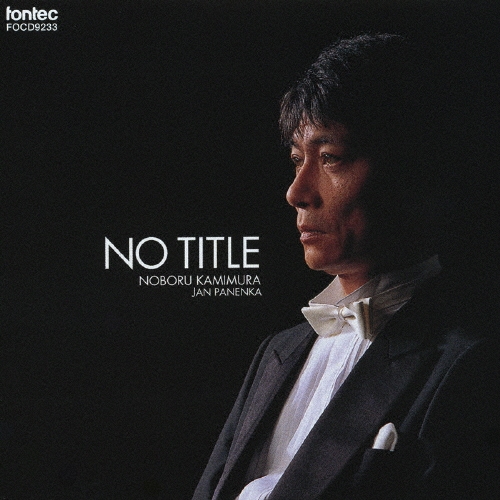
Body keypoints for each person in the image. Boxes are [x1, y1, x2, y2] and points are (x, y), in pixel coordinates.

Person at [193, 34, 499, 500]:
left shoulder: (472, 362)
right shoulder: (274, 353)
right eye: (297, 160)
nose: (296, 192)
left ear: (413, 167)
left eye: (330, 158)